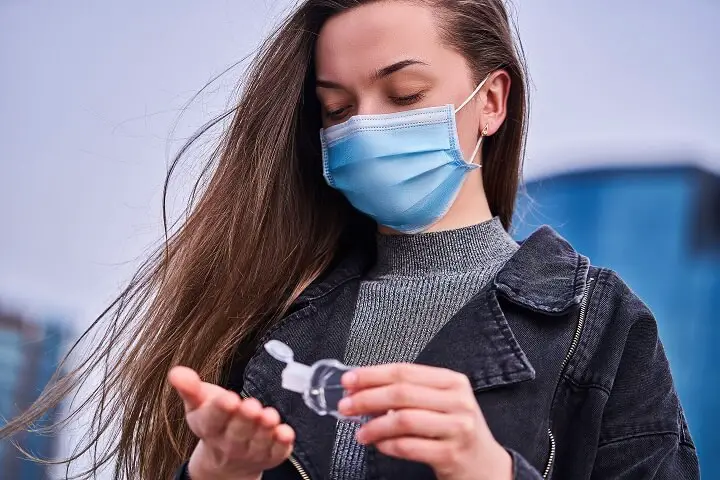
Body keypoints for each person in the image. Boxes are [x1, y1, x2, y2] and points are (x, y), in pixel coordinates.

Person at [1, 1, 700, 479]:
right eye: (337, 108)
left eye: (402, 96)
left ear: (492, 101)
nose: (364, 128)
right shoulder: (268, 314)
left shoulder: (599, 327)